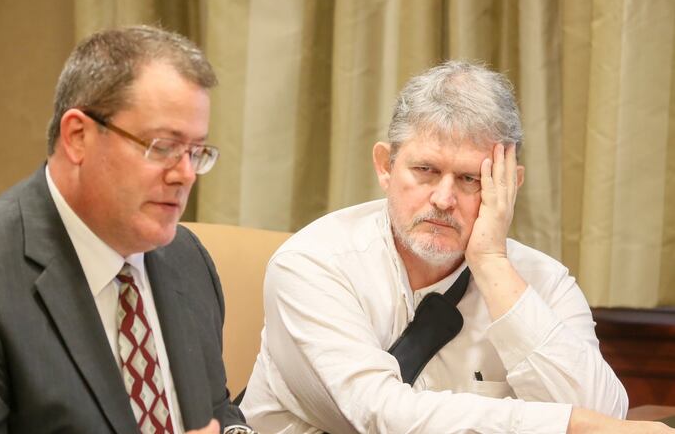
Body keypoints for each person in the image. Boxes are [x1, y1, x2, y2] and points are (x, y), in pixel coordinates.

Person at [241, 61, 674, 433]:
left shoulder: (544, 281)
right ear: (385, 166)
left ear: (509, 185)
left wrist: (492, 264)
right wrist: (565, 424)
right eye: (425, 170)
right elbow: (376, 415)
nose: (444, 199)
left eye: (470, 179)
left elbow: (604, 418)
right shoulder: (313, 263)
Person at [0, 25, 255, 434]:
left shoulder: (187, 258)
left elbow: (218, 411)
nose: (185, 174)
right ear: (78, 137)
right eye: (163, 147)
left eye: (196, 151)